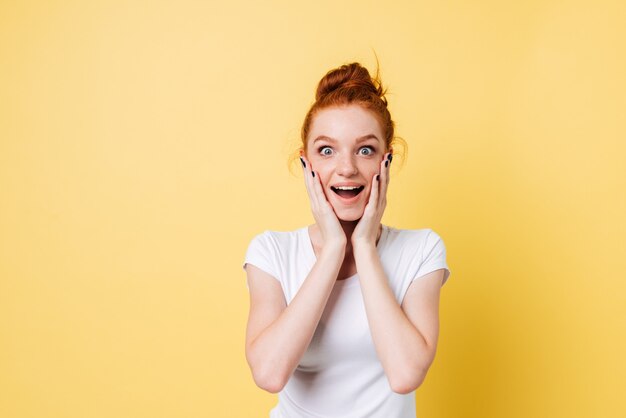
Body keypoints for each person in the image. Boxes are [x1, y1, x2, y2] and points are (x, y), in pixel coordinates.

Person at [242, 62, 451, 418]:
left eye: (365, 150)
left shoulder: (422, 250)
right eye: (327, 150)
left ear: (387, 161)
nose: (347, 168)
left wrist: (365, 249)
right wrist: (334, 250)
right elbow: (269, 373)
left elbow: (405, 374)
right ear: (306, 164)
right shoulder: (271, 251)